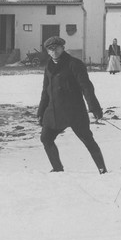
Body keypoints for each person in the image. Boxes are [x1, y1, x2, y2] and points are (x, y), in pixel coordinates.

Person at [36, 36, 107, 174]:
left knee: (88, 140)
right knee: (46, 138)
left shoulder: (74, 64)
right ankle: (57, 168)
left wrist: (94, 108)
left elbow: (86, 87)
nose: (54, 51)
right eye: (51, 49)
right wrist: (41, 112)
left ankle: (102, 169)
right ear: (48, 52)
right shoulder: (48, 67)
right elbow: (46, 91)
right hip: (54, 112)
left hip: (74, 112)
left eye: (57, 48)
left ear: (63, 48)